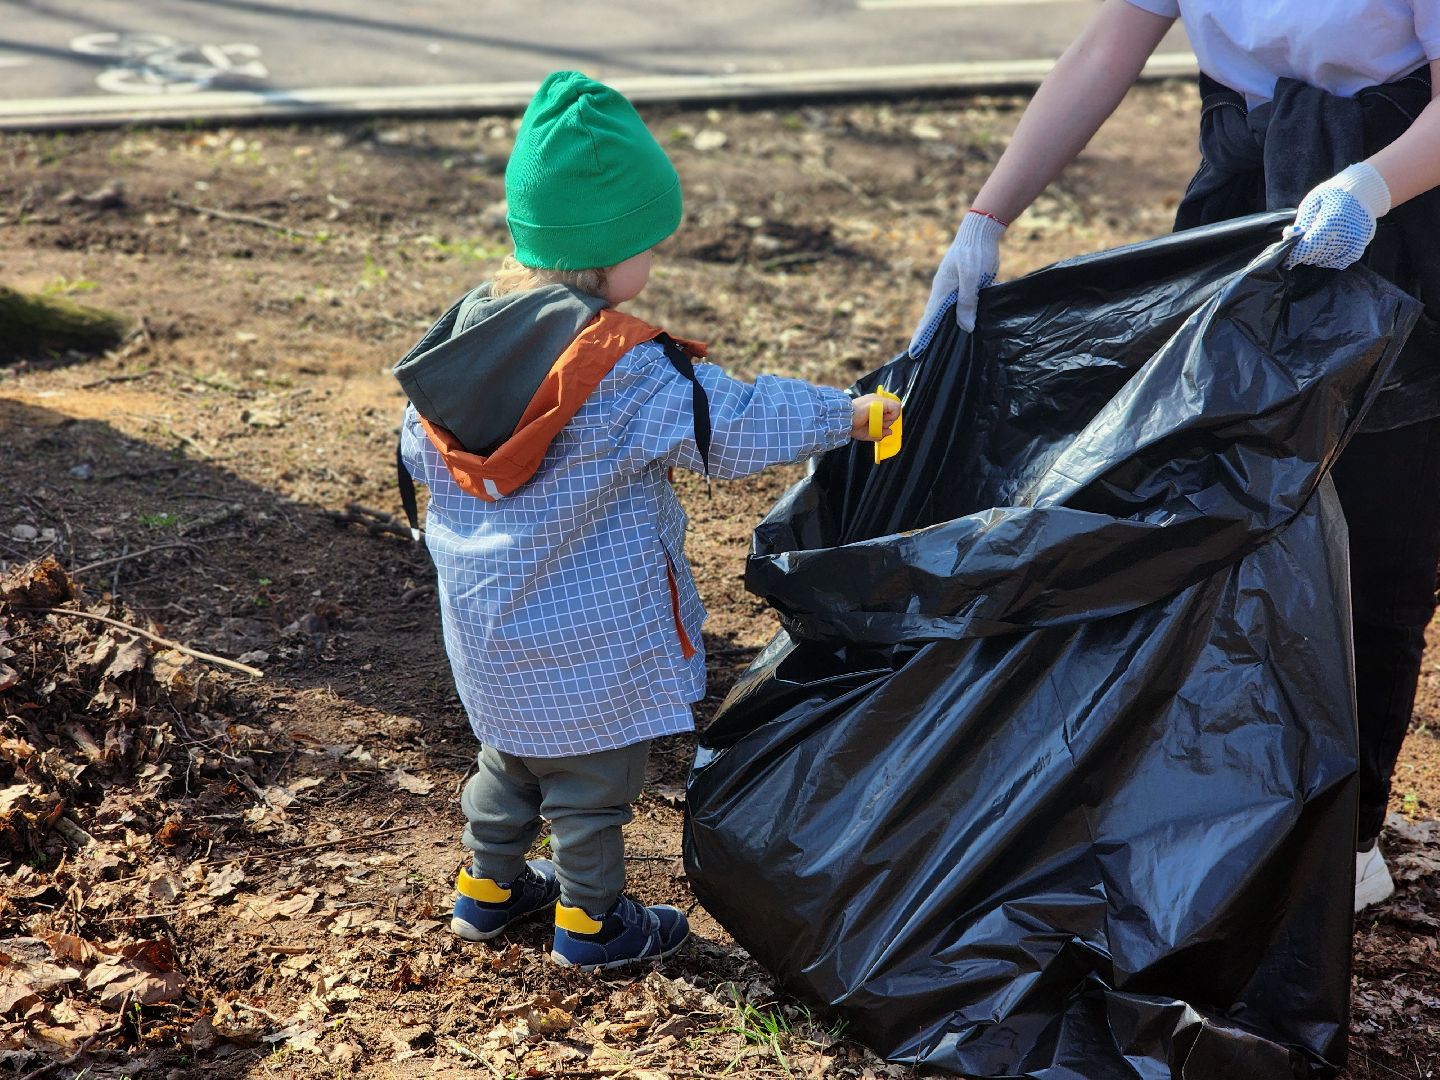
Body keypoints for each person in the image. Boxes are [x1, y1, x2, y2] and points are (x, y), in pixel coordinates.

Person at [911, 0, 1440, 912]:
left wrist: (1372, 187)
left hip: (1406, 210)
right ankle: (1220, 799)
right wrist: (986, 218)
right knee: (1214, 508)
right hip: (1251, 201)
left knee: (1377, 539)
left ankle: (1348, 836)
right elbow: (1105, 50)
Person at [395, 70, 900, 971]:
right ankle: (592, 926)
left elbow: (419, 454)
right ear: (607, 252)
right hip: (588, 646)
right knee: (590, 791)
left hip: (488, 631)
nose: (655, 263)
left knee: (507, 763)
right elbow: (731, 425)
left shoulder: (465, 341)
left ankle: (486, 891)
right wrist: (848, 415)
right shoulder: (621, 370)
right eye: (648, 245)